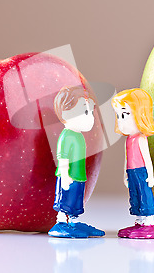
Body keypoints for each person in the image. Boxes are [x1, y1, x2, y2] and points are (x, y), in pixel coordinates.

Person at [48, 85, 104, 238]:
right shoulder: (67, 136)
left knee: (75, 200)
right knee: (65, 200)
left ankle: (73, 222)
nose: (90, 118)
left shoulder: (78, 136)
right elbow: (63, 157)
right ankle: (61, 222)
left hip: (79, 176)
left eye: (90, 112)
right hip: (69, 176)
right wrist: (65, 176)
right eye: (85, 112)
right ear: (65, 112)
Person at [112, 88, 154, 239]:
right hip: (132, 172)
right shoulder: (129, 140)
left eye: (125, 114)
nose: (121, 120)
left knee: (144, 195)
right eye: (119, 115)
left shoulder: (141, 139)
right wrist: (125, 174)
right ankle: (139, 221)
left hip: (142, 171)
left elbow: (147, 158)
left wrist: (151, 175)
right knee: (134, 195)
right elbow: (127, 159)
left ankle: (149, 222)